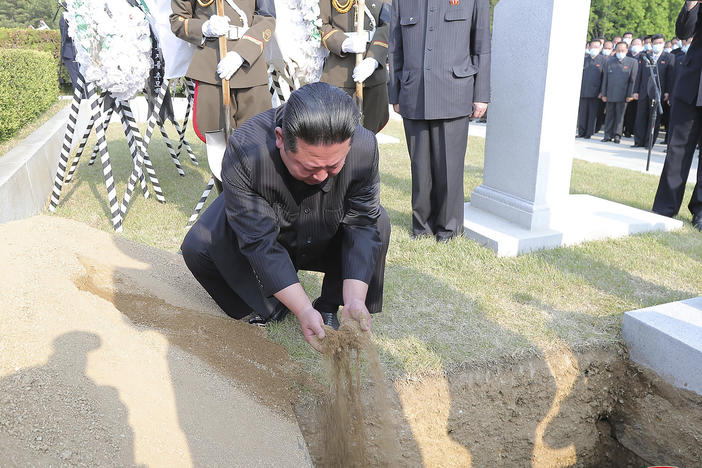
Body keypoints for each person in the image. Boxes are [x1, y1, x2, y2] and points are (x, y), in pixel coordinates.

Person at [180, 83, 391, 345]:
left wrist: (355, 299)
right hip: (267, 218)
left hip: (325, 224)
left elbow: (363, 223)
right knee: (199, 246)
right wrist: (301, 309)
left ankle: (329, 305)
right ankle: (272, 304)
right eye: (309, 167)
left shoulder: (364, 147)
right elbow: (258, 240)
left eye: (333, 166)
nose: (321, 177)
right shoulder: (246, 150)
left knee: (379, 222)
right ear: (280, 138)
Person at [388, 0, 491, 241]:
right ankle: (422, 227)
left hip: (454, 90)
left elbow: (482, 46)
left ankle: (449, 228)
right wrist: (395, 93)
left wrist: (481, 95)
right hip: (414, 92)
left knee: (449, 167)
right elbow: (395, 46)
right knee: (419, 166)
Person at [170, 0, 275, 141]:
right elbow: (178, 20)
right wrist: (204, 27)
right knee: (217, 143)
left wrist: (242, 53)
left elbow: (267, 18)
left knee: (257, 141)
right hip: (211, 69)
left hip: (251, 67)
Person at [653, 1, 702, 231]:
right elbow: (683, 33)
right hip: (691, 81)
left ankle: (700, 211)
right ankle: (665, 207)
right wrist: (691, 4)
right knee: (678, 148)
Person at [318, 0, 391, 134]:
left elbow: (389, 24)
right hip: (339, 76)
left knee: (368, 139)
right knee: (336, 137)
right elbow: (320, 24)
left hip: (374, 76)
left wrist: (373, 59)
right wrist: (343, 42)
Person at [632, 34, 674, 148]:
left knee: (654, 119)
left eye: (660, 43)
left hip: (658, 92)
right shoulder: (645, 56)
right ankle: (638, 141)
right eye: (655, 43)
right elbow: (639, 74)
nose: (657, 45)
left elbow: (670, 77)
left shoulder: (669, 57)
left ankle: (649, 142)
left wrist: (667, 92)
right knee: (640, 116)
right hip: (643, 91)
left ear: (664, 43)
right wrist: (635, 90)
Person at [601, 42, 638, 144]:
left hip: (623, 95)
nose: (620, 52)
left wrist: (630, 95)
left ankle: (617, 135)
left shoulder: (632, 62)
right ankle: (607, 135)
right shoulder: (609, 61)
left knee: (620, 116)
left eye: (622, 50)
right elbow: (605, 79)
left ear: (627, 50)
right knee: (609, 115)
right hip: (610, 93)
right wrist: (603, 94)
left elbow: (633, 80)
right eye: (618, 50)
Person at [577, 41, 606, 139]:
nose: (595, 48)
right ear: (589, 47)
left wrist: (602, 91)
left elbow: (604, 78)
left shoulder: (603, 60)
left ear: (600, 48)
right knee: (582, 112)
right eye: (593, 46)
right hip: (583, 91)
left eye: (597, 47)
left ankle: (589, 132)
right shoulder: (584, 59)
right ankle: (581, 131)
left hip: (595, 92)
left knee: (592, 113)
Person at [624, 38, 644, 137]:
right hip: (626, 86)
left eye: (638, 44)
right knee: (627, 111)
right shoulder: (627, 56)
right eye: (634, 44)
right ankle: (627, 130)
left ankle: (633, 130)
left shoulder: (643, 57)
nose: (635, 46)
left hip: (638, 88)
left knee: (636, 111)